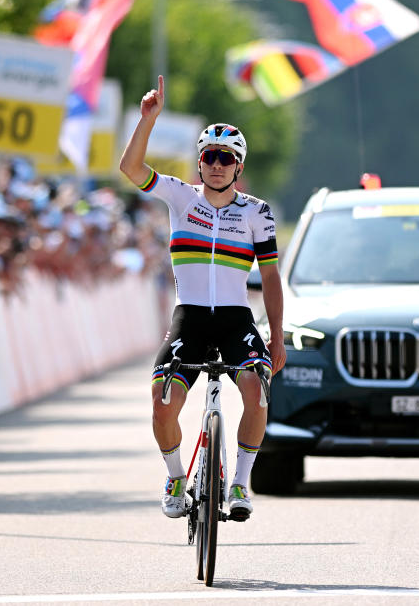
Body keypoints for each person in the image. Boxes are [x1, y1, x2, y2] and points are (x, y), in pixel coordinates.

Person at [118, 75, 286, 521]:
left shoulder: (257, 212)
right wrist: (147, 121)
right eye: (209, 156)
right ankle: (175, 475)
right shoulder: (179, 196)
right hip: (189, 318)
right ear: (199, 163)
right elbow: (131, 170)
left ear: (238, 167)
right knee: (162, 402)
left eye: (225, 158)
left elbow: (270, 277)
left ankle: (241, 483)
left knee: (257, 392)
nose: (216, 164)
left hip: (236, 320)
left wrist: (278, 336)